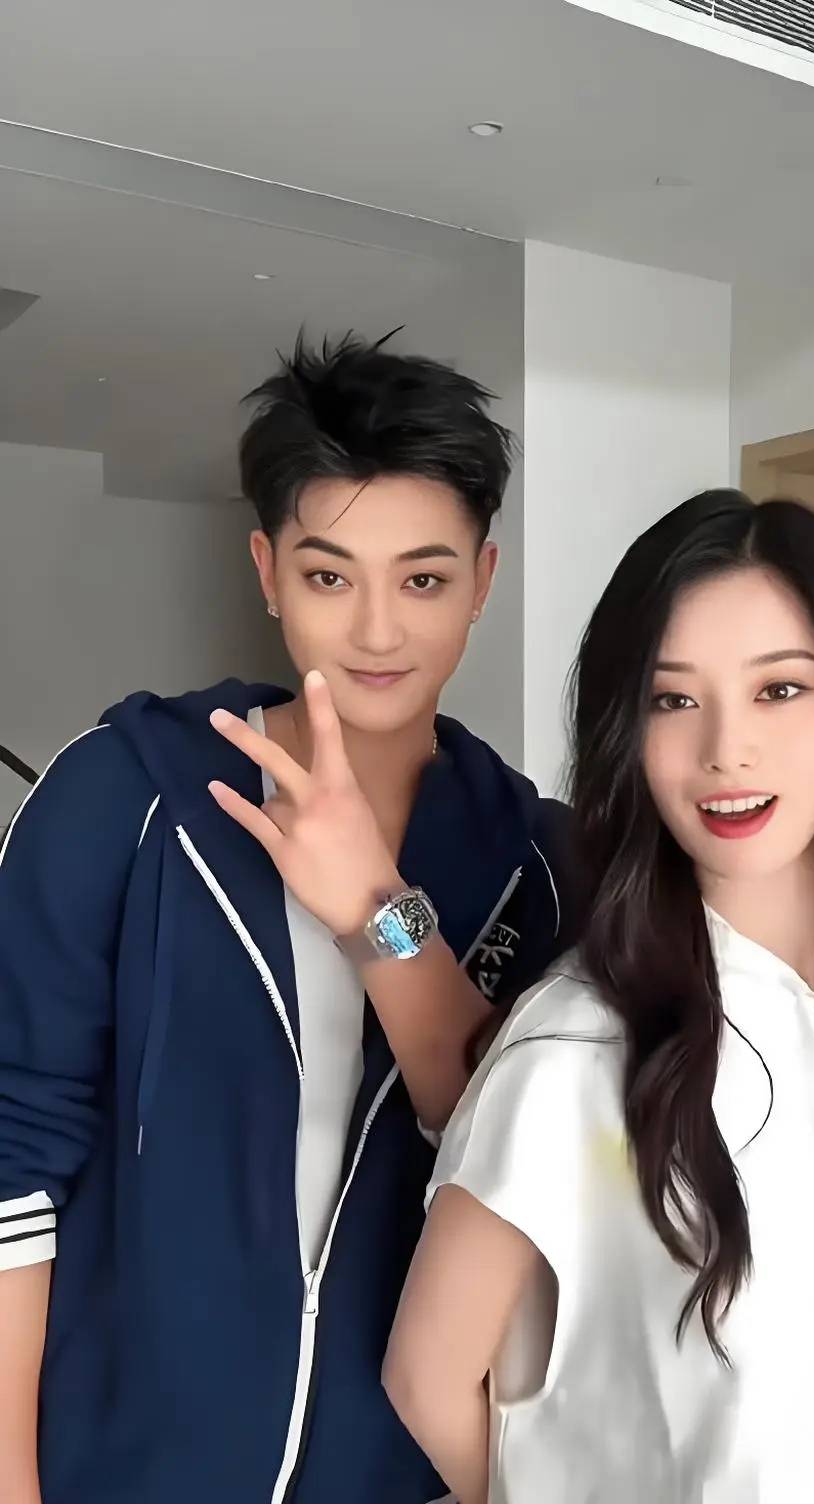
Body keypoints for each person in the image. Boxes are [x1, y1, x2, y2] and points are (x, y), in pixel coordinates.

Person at [0, 333, 572, 1504]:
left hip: (401, 1474)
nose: (377, 631)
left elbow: (517, 1156)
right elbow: (14, 1159)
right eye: (329, 576)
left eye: (423, 579)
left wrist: (378, 911)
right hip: (123, 1473)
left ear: (483, 580)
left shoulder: (539, 862)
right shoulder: (121, 796)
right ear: (267, 570)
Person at [385, 489, 814, 1504]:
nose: (726, 748)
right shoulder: (577, 1047)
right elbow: (426, 1376)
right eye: (672, 700)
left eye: (779, 689)